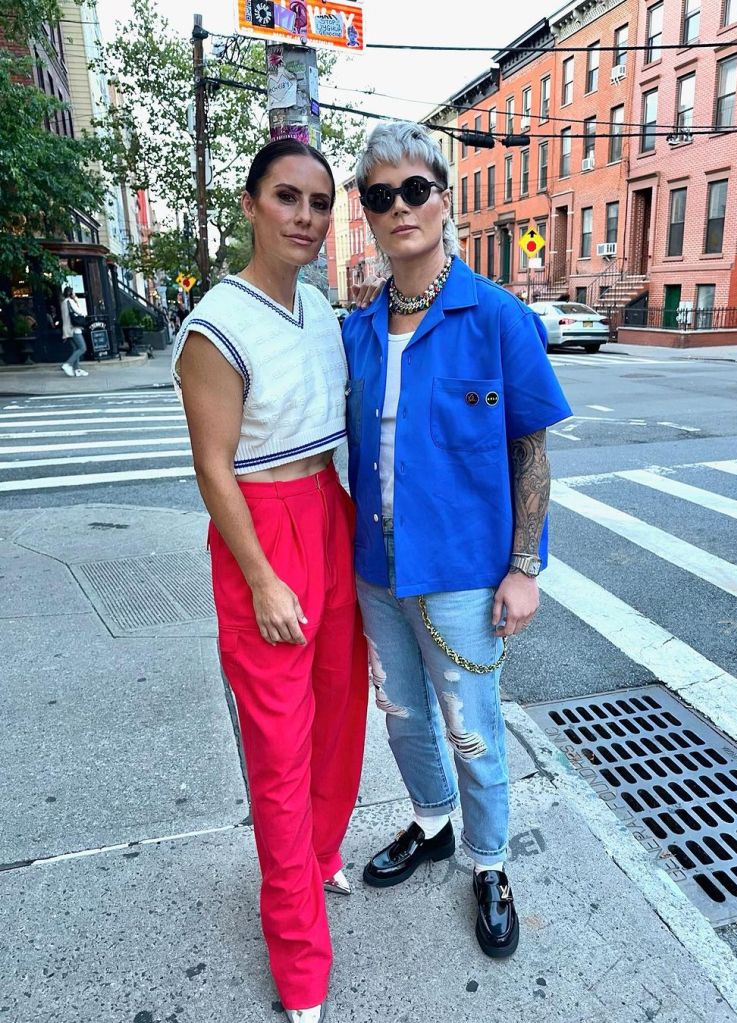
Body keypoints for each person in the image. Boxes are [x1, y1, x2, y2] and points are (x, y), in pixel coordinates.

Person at [342, 122, 571, 959]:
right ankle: (432, 825)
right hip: (377, 572)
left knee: (472, 728)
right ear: (366, 212)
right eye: (378, 195)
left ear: (443, 198)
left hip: (466, 578)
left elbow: (530, 450)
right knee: (402, 718)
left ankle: (489, 861)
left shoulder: (498, 319)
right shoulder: (359, 331)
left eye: (413, 190)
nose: (398, 207)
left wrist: (521, 567)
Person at [172, 139, 379, 1023]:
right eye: (287, 197)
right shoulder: (216, 324)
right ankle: (298, 960)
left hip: (327, 514)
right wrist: (260, 578)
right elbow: (212, 467)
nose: (305, 216)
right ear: (251, 204)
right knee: (280, 747)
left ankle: (321, 854)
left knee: (339, 716)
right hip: (263, 534)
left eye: (319, 202)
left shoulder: (322, 311)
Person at [60, 286, 88, 377]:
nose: (75, 294)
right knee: (82, 348)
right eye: (73, 293)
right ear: (70, 294)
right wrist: (77, 300)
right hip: (74, 329)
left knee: (76, 349)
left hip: (67, 329)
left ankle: (77, 369)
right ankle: (68, 364)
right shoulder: (70, 301)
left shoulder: (63, 303)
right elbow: (82, 312)